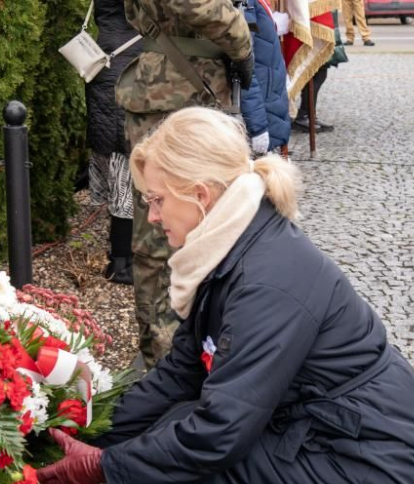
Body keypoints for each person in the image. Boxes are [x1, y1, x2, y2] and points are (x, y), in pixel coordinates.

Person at [38, 107, 414, 484]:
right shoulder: (232, 245)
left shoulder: (266, 280)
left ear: (199, 195)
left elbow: (220, 430)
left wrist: (105, 466)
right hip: (332, 442)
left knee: (188, 465)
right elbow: (182, 375)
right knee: (173, 443)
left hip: (380, 477)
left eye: (155, 200)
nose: (150, 217)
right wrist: (82, 427)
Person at [116, 0, 254, 371]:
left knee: (204, 225)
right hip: (175, 91)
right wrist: (242, 39)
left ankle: (189, 352)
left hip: (187, 86)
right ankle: (166, 363)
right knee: (163, 233)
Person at [86, 0, 142, 285]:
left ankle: (118, 258)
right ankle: (124, 263)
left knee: (118, 160)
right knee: (127, 166)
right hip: (134, 67)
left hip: (105, 60)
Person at [240, 0, 291, 155]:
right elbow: (242, 65)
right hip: (261, 103)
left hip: (269, 97)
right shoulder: (246, 3)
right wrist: (257, 126)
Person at [292, 10, 348, 133]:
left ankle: (310, 114)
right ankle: (304, 115)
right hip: (312, 23)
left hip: (323, 22)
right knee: (312, 74)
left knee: (320, 72)